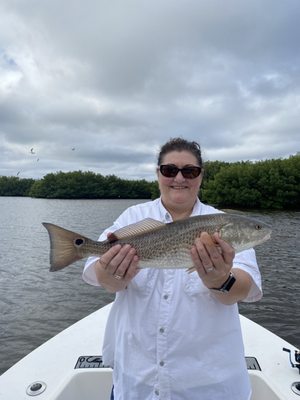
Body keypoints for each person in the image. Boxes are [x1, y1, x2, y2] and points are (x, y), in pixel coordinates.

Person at [82, 137, 262, 400]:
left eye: (189, 171)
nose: (179, 178)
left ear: (201, 176)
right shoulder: (132, 217)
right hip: (137, 381)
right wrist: (114, 273)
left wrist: (221, 279)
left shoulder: (222, 224)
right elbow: (104, 281)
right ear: (158, 174)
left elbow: (243, 289)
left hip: (208, 385)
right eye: (169, 170)